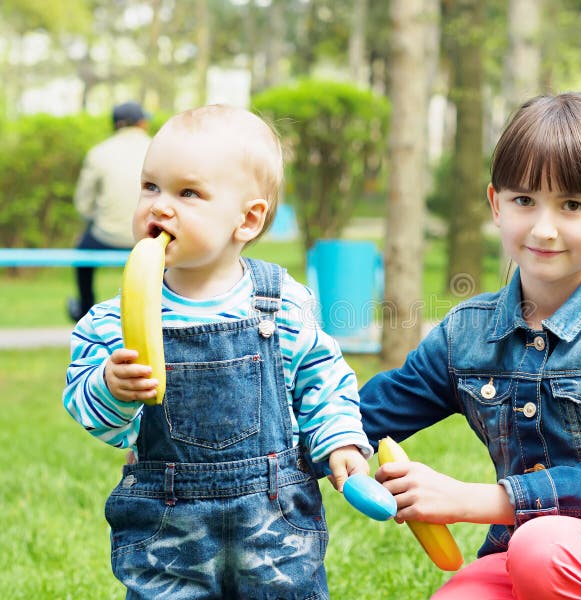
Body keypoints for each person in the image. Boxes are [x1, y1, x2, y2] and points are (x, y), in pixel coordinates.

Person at [359, 93, 581, 599]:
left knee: (544, 547)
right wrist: (325, 429)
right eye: (525, 201)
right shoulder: (466, 335)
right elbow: (367, 414)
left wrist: (465, 499)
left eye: (573, 205)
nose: (544, 228)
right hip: (521, 557)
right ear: (496, 204)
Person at [63, 104, 371, 598]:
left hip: (276, 531)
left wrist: (340, 442)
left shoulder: (281, 301)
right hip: (167, 534)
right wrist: (110, 386)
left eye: (188, 193)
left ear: (247, 220)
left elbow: (323, 379)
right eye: (150, 186)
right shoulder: (113, 319)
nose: (159, 206)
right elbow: (97, 418)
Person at [69, 101, 153, 322]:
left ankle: (84, 308)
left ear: (115, 125)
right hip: (148, 236)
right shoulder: (156, 148)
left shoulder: (99, 152)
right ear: (142, 123)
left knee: (81, 253)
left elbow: (83, 204)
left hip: (108, 236)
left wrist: (95, 219)